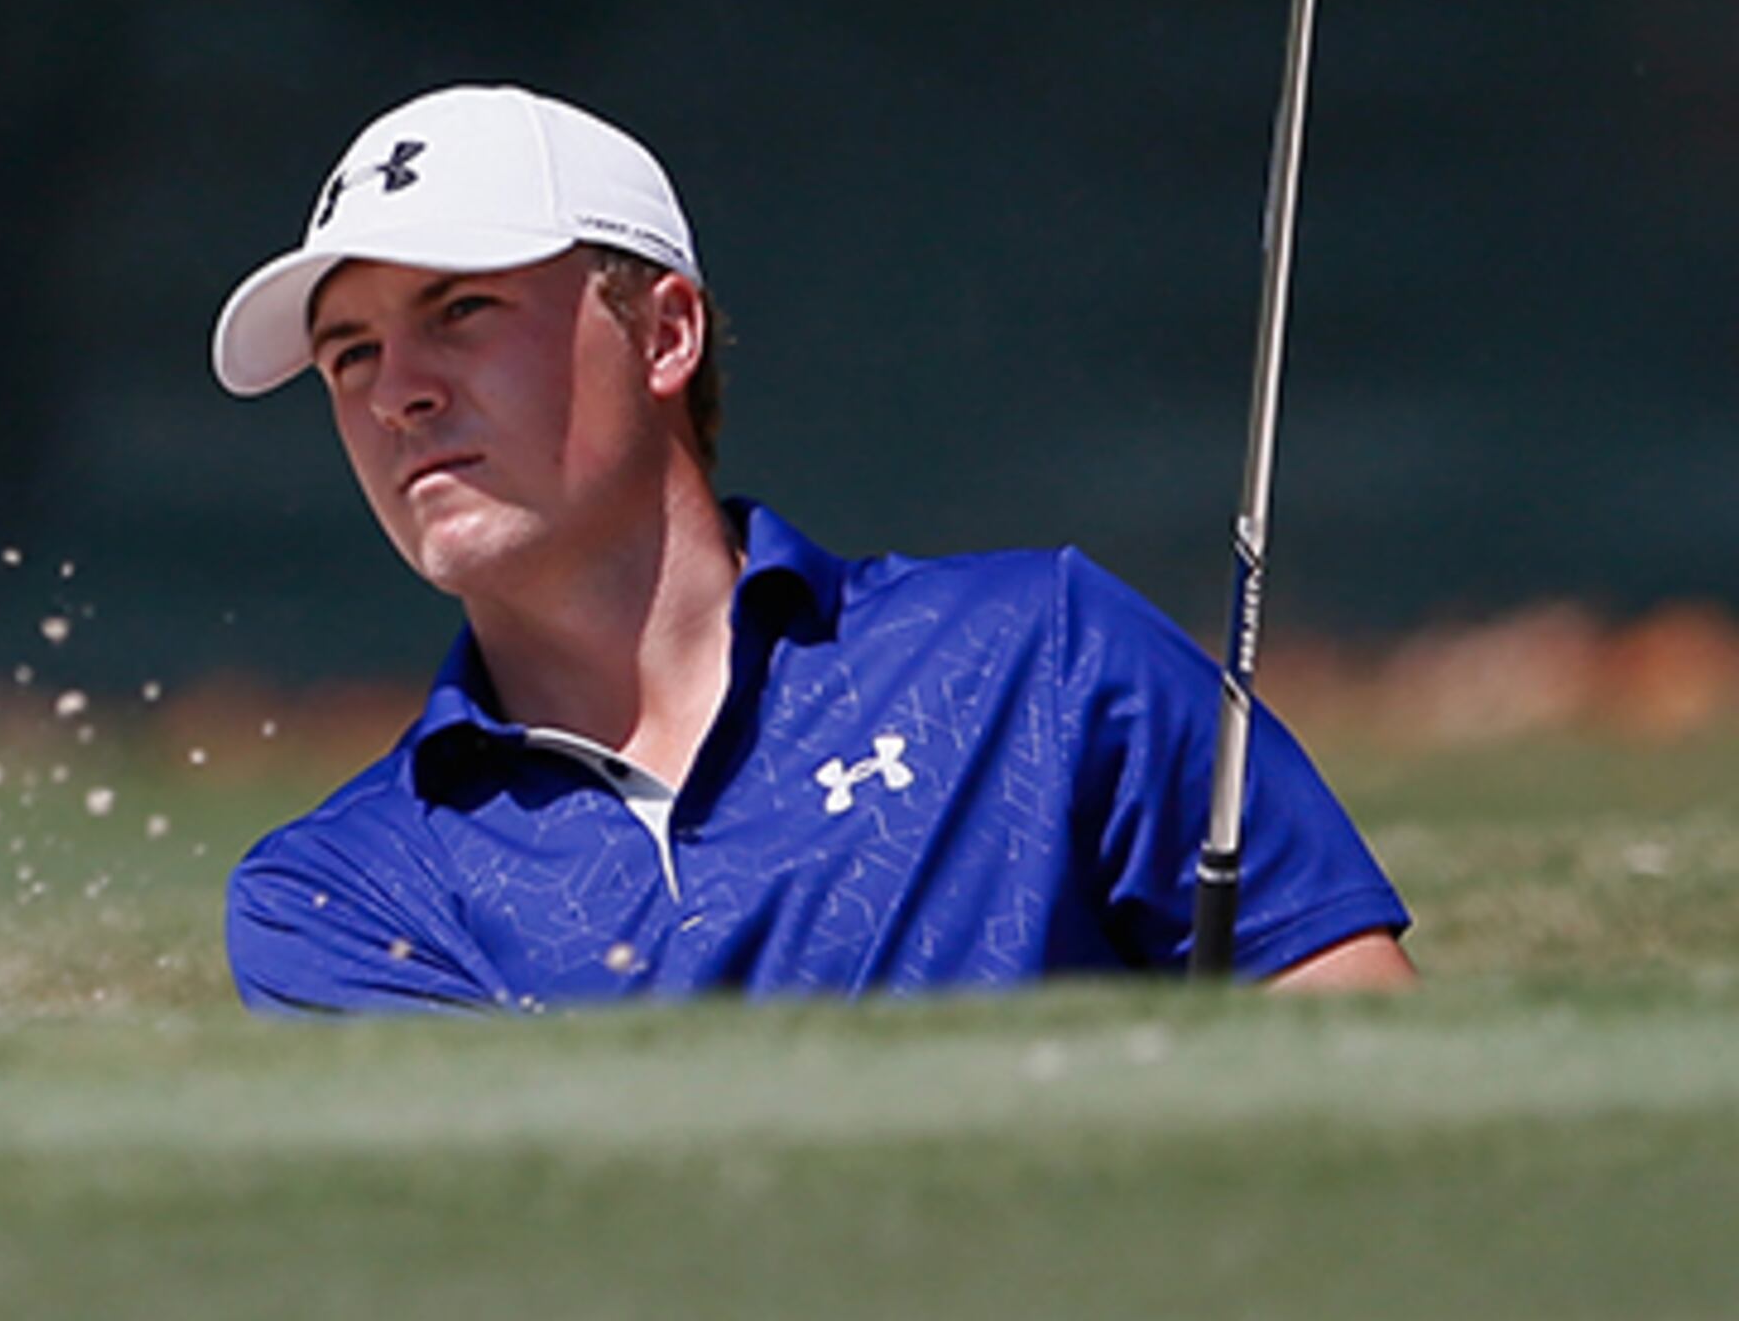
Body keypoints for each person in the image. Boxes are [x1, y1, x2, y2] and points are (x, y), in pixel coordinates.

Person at [212, 83, 1415, 1012]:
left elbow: (1374, 1079)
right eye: (351, 353)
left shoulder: (1044, 657)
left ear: (665, 333)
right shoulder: (337, 897)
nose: (398, 393)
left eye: (462, 310)